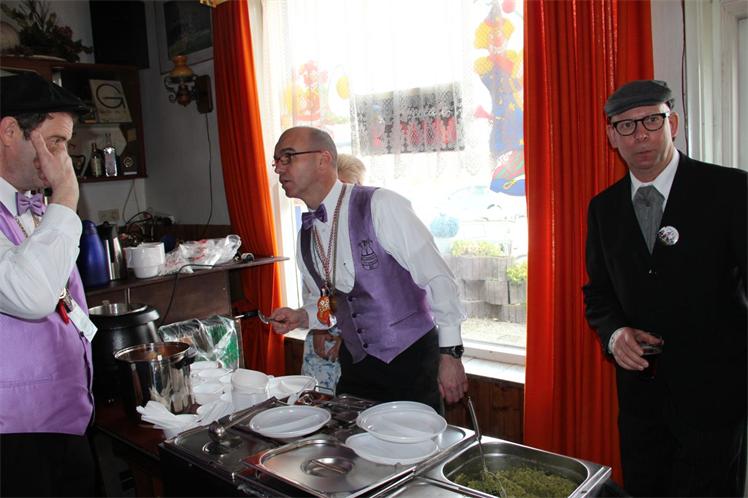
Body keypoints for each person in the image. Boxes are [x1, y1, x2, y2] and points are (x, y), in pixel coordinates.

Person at [583, 79, 746, 497]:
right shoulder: (603, 209)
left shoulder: (731, 190)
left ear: (672, 123)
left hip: (716, 400)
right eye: (626, 125)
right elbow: (598, 292)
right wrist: (615, 334)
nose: (640, 135)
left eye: (651, 121)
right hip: (641, 404)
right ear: (611, 137)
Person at [268, 126, 468, 412]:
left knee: (414, 439)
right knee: (352, 437)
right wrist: (301, 316)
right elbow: (329, 304)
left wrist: (450, 354)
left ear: (323, 159)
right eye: (276, 160)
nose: (279, 168)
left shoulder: (381, 205)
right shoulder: (306, 234)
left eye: (288, 157)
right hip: (356, 366)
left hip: (411, 364)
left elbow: (439, 278)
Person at [0, 73, 98, 497]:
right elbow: (34, 296)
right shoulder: (57, 201)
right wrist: (66, 196)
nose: (64, 159)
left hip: (65, 415)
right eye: (56, 142)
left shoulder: (36, 206)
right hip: (14, 434)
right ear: (9, 131)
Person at [301, 153, 367, 391]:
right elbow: (315, 291)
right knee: (318, 400)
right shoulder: (314, 229)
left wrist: (348, 337)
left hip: (363, 338)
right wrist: (320, 328)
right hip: (323, 332)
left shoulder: (369, 229)